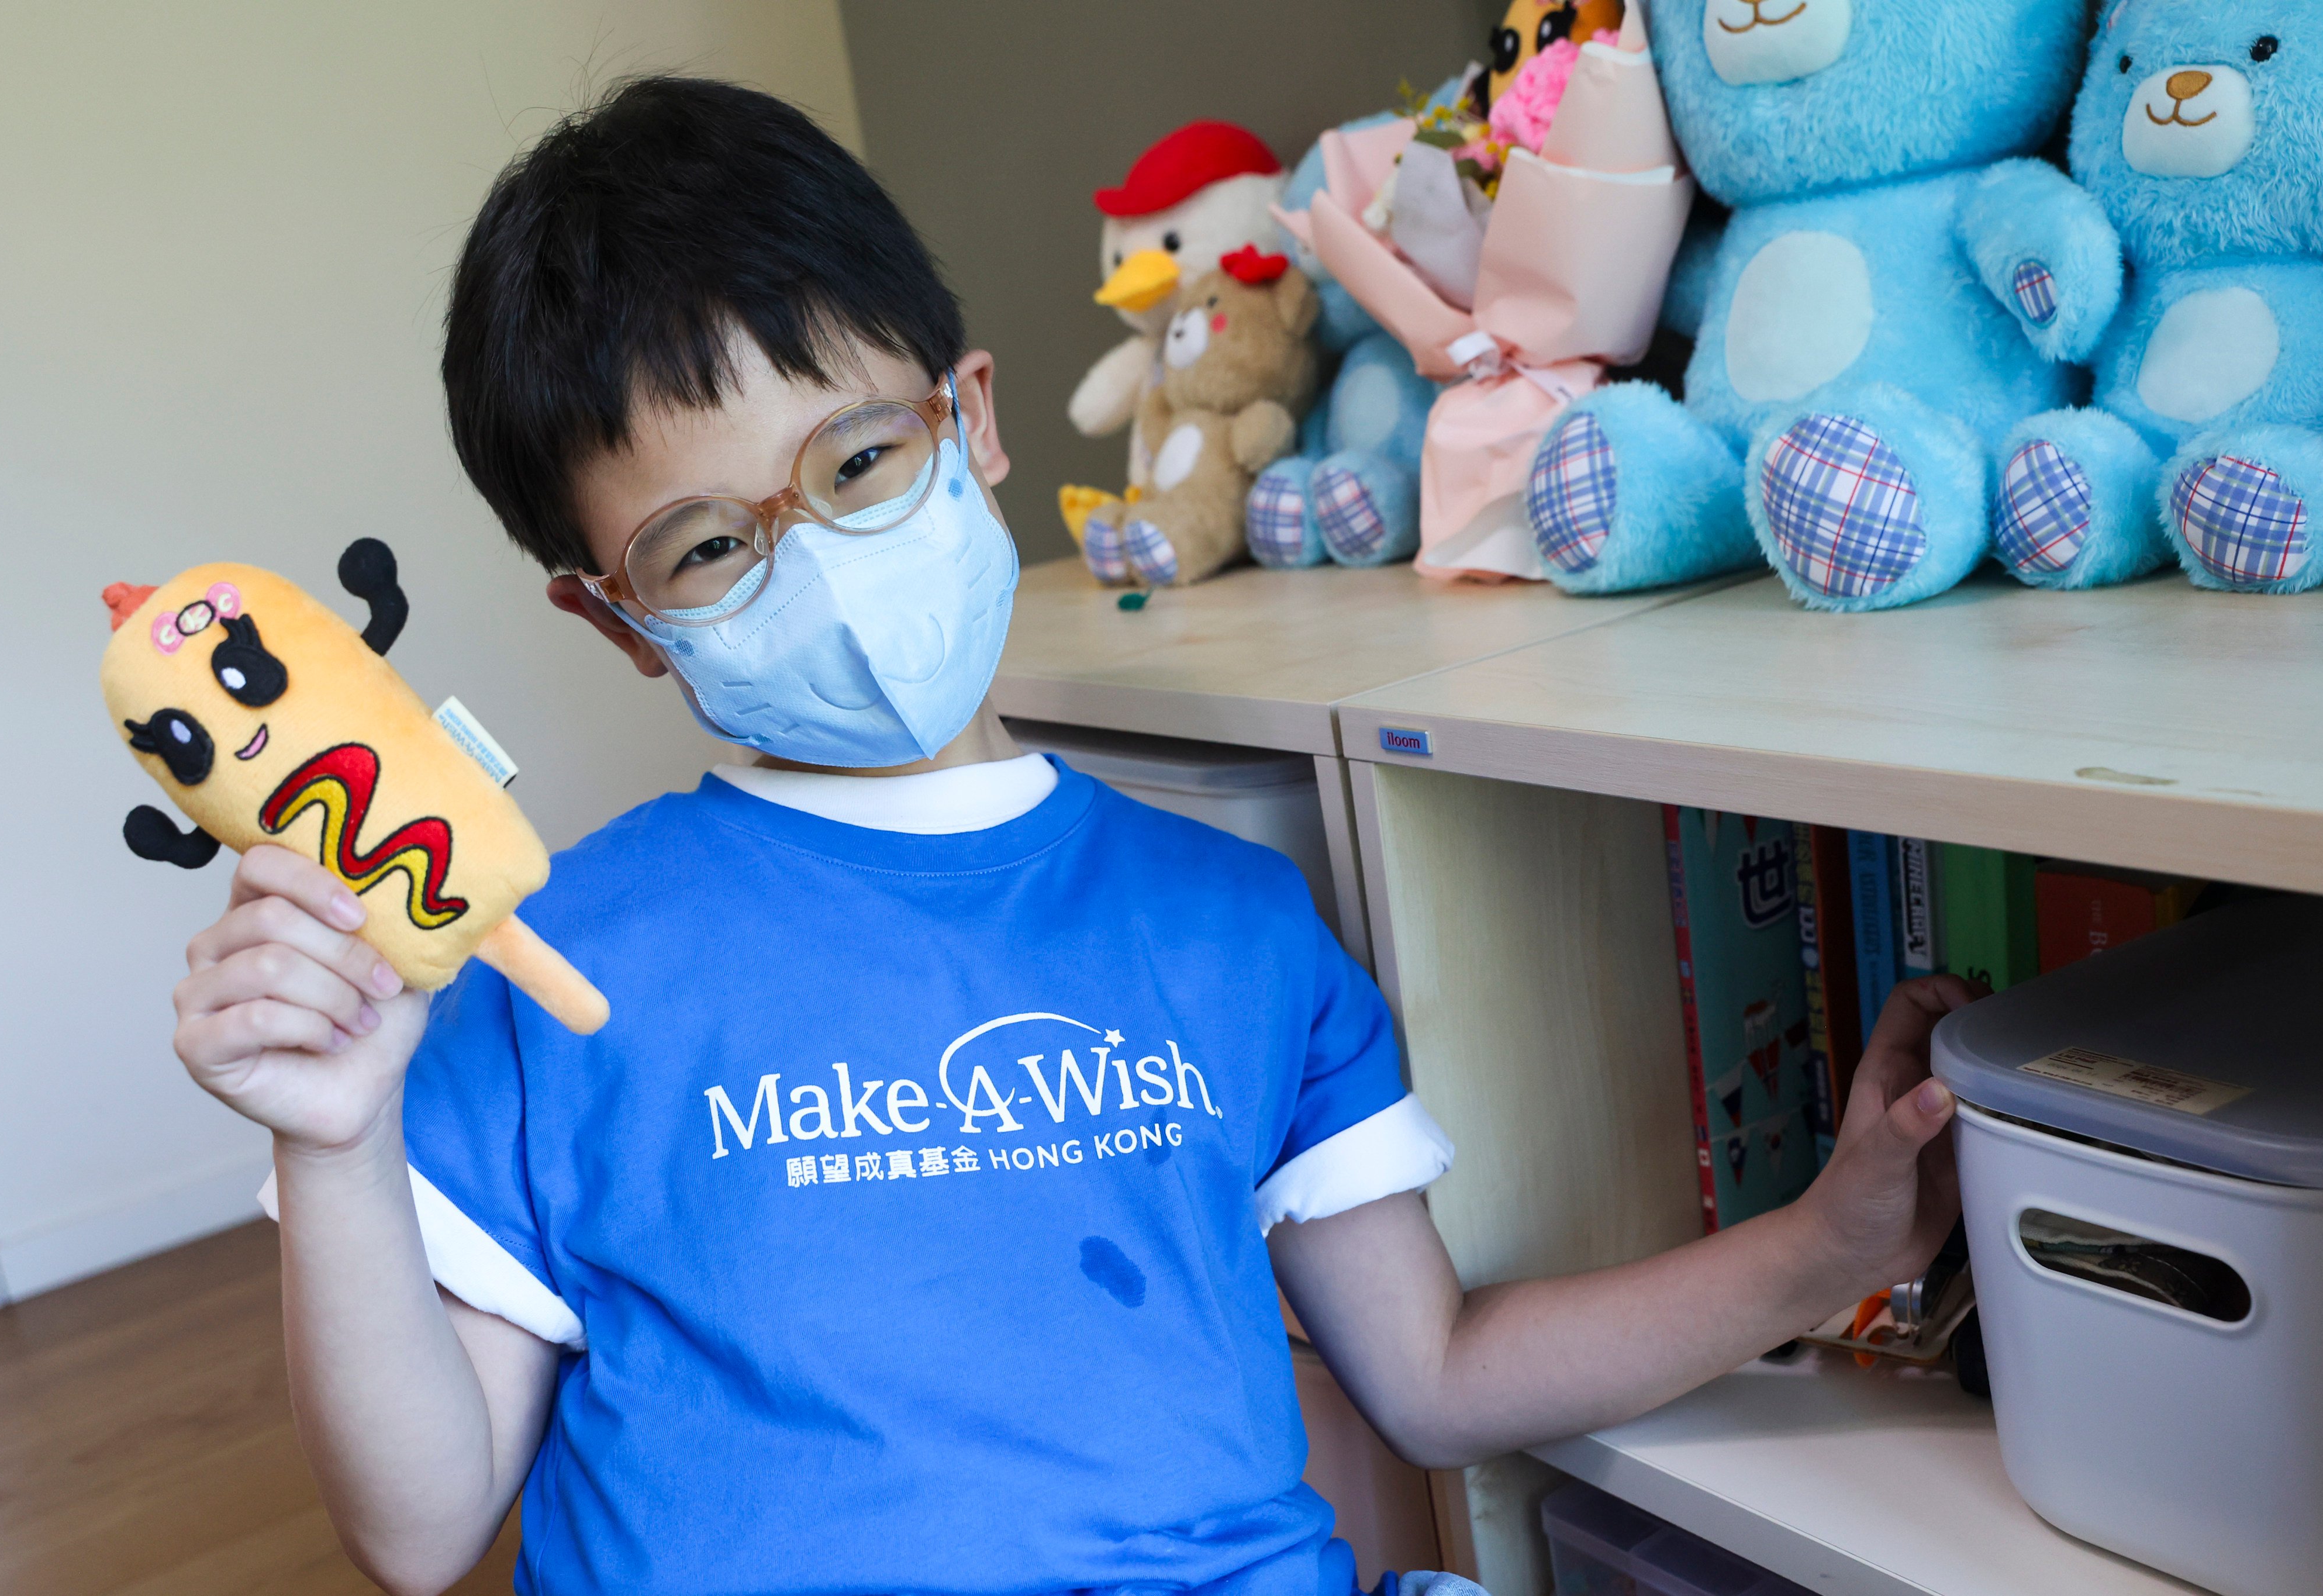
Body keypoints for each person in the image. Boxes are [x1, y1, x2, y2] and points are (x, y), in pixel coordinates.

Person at [167, 77, 1972, 1596]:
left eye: (859, 461)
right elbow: (417, 1530)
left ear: (973, 420)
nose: (816, 558)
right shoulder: (551, 964)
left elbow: (1429, 1375)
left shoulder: (1237, 924)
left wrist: (1829, 1242)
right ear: (620, 616)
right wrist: (336, 1142)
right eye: (710, 547)